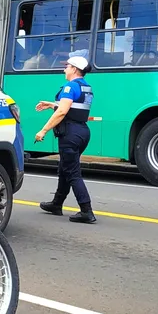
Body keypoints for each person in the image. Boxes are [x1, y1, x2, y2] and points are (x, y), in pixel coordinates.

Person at [34, 55, 96, 224]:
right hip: (82, 132)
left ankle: (86, 211)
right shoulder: (86, 87)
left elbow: (62, 112)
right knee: (65, 168)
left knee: (72, 172)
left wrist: (43, 130)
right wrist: (52, 104)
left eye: (67, 66)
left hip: (70, 134)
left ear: (74, 69)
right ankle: (57, 204)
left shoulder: (70, 87)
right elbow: (73, 109)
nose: (64, 69)